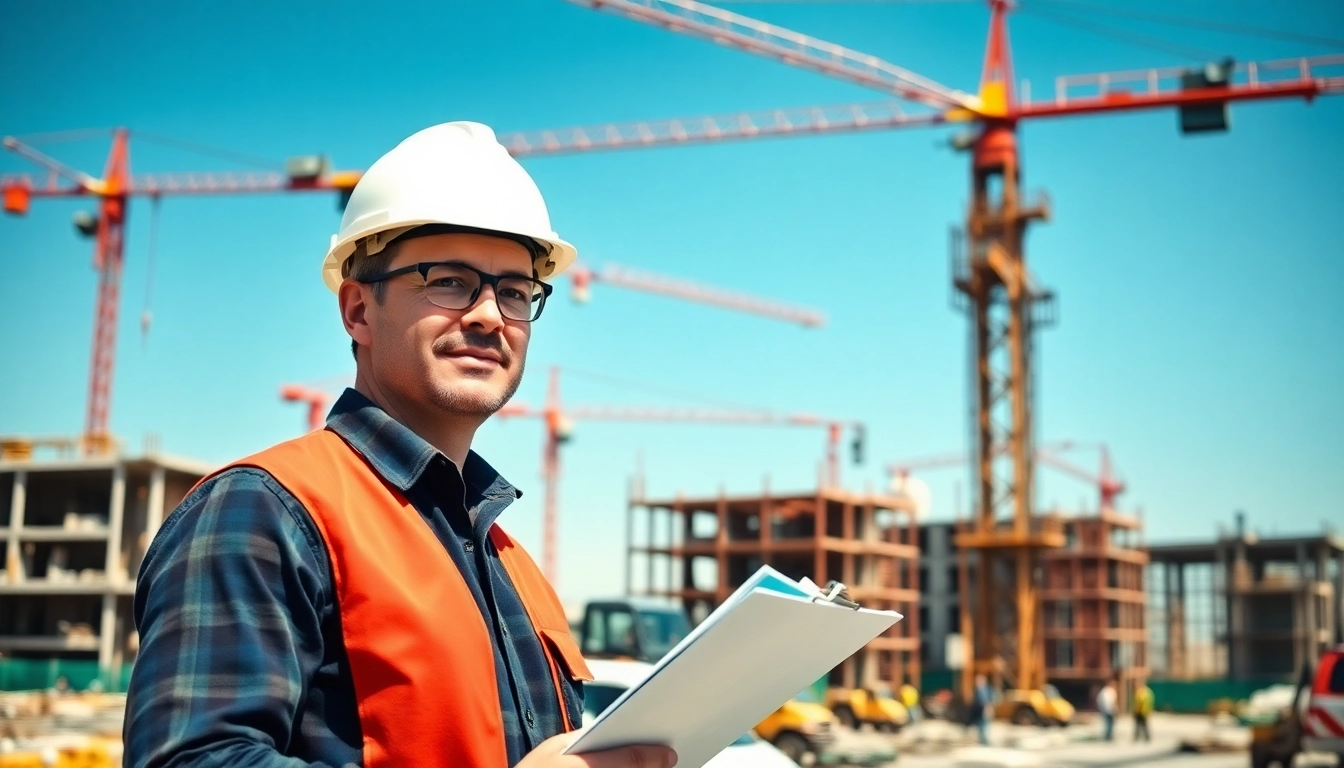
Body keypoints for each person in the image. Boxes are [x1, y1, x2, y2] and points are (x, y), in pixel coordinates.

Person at [123, 122, 678, 768]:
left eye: (516, 292)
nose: (489, 315)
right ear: (357, 310)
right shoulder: (264, 514)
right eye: (448, 280)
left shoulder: (513, 568)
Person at [968, 674, 994, 745]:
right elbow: (975, 701)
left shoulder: (988, 689)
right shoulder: (976, 690)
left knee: (985, 725)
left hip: (985, 710)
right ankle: (982, 740)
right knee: (980, 725)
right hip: (978, 711)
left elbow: (991, 699)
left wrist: (989, 707)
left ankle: (984, 740)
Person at [1097, 676, 1118, 742]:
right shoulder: (1109, 691)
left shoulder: (1104, 691)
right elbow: (1111, 702)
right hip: (1109, 710)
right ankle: (1108, 736)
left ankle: (1108, 735)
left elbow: (1099, 700)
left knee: (1108, 723)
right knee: (1109, 723)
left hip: (1106, 710)